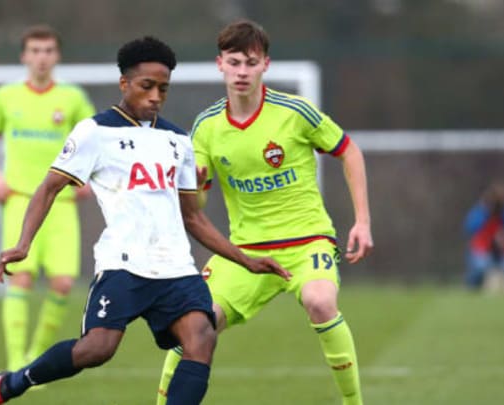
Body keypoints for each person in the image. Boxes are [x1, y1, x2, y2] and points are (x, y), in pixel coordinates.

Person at [0, 36, 291, 405]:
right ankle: (11, 384)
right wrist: (23, 244)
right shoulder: (95, 132)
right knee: (97, 349)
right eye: (147, 86)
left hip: (176, 268)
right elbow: (48, 188)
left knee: (202, 338)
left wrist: (245, 260)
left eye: (163, 89)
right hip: (124, 264)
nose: (155, 96)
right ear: (125, 84)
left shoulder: (177, 140)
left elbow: (192, 217)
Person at [155, 20, 373, 405]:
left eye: (250, 63)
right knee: (192, 327)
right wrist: (199, 183)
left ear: (265, 66)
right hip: (245, 251)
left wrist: (362, 221)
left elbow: (349, 150)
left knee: (320, 302)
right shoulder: (206, 127)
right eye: (235, 62)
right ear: (219, 63)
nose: (242, 72)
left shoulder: (294, 112)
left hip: (307, 241)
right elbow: (198, 205)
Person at [0, 25, 96, 372]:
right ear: (24, 56)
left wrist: (85, 178)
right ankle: (15, 360)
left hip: (60, 204)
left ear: (56, 56)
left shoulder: (73, 98)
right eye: (35, 50)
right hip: (19, 200)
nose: (41, 57)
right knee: (22, 278)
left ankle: (36, 356)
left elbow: (92, 141)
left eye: (47, 51)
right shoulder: (5, 97)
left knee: (61, 283)